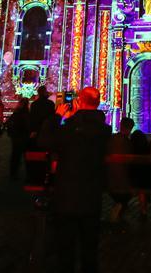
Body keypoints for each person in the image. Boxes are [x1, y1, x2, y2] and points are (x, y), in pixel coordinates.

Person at [50, 87, 110, 273]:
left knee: (66, 247)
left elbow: (46, 140)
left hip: (67, 195)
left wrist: (60, 116)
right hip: (92, 196)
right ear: (98, 103)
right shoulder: (105, 130)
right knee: (90, 247)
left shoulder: (69, 128)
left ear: (79, 102)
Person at [107, 117, 135, 222]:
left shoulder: (112, 139)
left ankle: (119, 208)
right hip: (122, 179)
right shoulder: (128, 142)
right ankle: (120, 208)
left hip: (110, 176)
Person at [7, 97, 30, 179]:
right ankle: (28, 174)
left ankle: (13, 172)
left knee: (15, 156)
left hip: (15, 137)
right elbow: (27, 125)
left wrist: (11, 133)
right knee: (26, 156)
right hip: (23, 137)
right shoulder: (26, 113)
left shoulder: (16, 112)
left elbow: (9, 122)